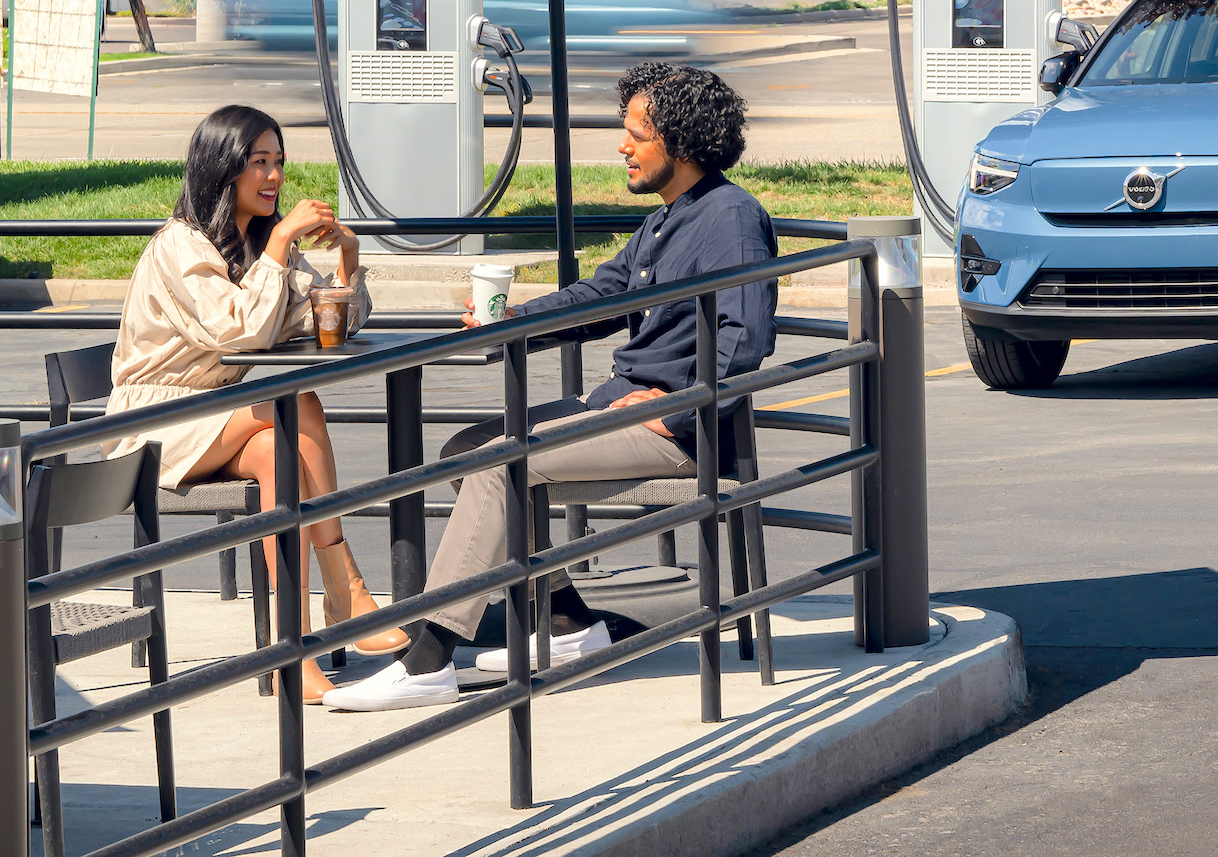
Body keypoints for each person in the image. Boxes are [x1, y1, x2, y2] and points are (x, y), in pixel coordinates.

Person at [324, 64, 777, 710]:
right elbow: (604, 293)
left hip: (679, 430)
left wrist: (676, 405)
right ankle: (568, 622)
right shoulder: (666, 220)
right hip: (621, 410)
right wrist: (512, 321)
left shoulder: (732, 219)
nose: (623, 145)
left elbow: (747, 337)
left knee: (496, 462)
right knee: (466, 450)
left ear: (680, 142)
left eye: (636, 134)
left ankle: (429, 659)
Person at [105, 104, 412, 704]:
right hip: (154, 422)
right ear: (223, 170)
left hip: (216, 417)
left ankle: (290, 650)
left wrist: (346, 257)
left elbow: (321, 324)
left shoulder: (252, 244)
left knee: (279, 450)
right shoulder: (180, 245)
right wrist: (278, 243)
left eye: (278, 163)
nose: (273, 178)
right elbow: (238, 331)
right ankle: (342, 585)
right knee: (293, 405)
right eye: (258, 163)